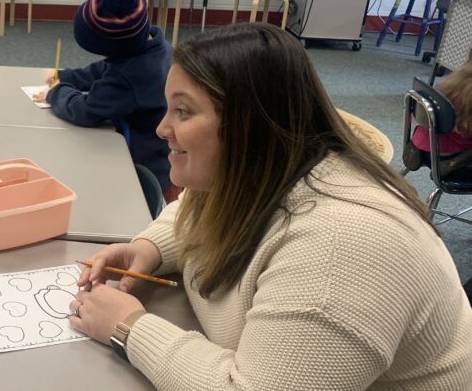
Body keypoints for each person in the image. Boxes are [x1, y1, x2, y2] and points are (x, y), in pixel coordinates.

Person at [69, 23, 472, 389]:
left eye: (183, 111)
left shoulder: (341, 247)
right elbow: (196, 206)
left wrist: (129, 327)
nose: (162, 128)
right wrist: (150, 248)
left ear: (249, 125)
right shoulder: (256, 169)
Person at [32, 0, 174, 200]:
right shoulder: (151, 45)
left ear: (114, 47)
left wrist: (56, 93)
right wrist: (68, 76)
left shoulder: (132, 76)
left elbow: (87, 111)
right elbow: (107, 68)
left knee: (126, 202)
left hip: (147, 164)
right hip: (153, 144)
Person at [410, 51, 472, 155]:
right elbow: (466, 128)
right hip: (447, 154)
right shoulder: (469, 92)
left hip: (422, 142)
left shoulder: (455, 78)